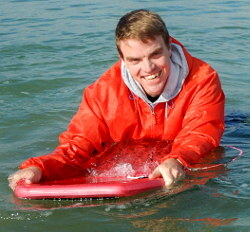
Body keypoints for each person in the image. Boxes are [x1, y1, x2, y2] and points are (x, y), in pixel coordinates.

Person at [8, 9, 225, 191]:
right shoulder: (102, 92)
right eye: (135, 59)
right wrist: (39, 168)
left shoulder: (203, 79)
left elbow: (200, 132)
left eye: (155, 54)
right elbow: (77, 148)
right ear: (122, 59)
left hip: (184, 148)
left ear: (169, 47)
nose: (148, 68)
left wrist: (178, 159)